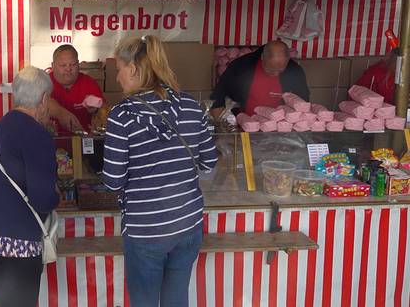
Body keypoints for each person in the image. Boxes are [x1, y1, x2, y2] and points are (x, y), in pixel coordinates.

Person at [102, 35, 218, 307]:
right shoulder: (191, 106)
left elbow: (112, 180)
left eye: (118, 69)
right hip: (188, 223)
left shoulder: (122, 115)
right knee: (176, 300)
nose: (117, 77)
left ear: (132, 69)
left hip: (145, 230)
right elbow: (209, 163)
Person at [0, 66, 60, 307]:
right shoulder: (37, 134)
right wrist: (56, 196)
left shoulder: (0, 127)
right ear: (44, 99)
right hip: (16, 240)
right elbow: (42, 199)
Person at [210, 40, 309, 119]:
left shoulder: (295, 71)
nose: (275, 74)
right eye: (271, 70)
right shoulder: (241, 66)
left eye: (280, 70)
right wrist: (220, 126)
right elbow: (218, 97)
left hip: (281, 128)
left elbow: (303, 103)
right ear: (262, 57)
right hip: (246, 125)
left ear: (287, 60)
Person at [48, 44, 105, 134]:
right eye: (63, 65)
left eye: (73, 64)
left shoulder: (89, 83)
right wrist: (60, 113)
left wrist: (96, 110)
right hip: (51, 140)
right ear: (53, 66)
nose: (68, 69)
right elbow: (39, 103)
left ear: (78, 64)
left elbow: (104, 110)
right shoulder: (44, 82)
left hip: (84, 139)